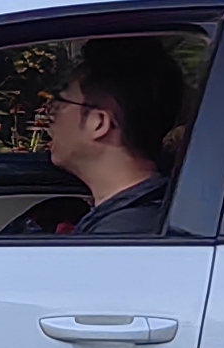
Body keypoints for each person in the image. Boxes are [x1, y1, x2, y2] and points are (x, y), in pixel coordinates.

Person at [44, 37, 186, 237]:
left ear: (99, 123)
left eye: (61, 103)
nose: (50, 114)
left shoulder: (118, 237)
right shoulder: (142, 216)